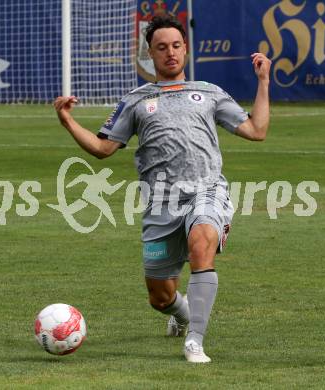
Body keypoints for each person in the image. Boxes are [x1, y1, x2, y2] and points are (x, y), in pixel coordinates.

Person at [54, 15, 271, 363]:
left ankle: (195, 342)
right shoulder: (136, 101)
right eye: (161, 47)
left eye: (175, 46)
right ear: (149, 55)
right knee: (160, 296)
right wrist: (68, 121)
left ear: (185, 49)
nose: (170, 53)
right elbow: (102, 148)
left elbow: (256, 130)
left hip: (206, 191)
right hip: (160, 205)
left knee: (202, 243)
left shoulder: (209, 93)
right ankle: (182, 315)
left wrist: (263, 82)